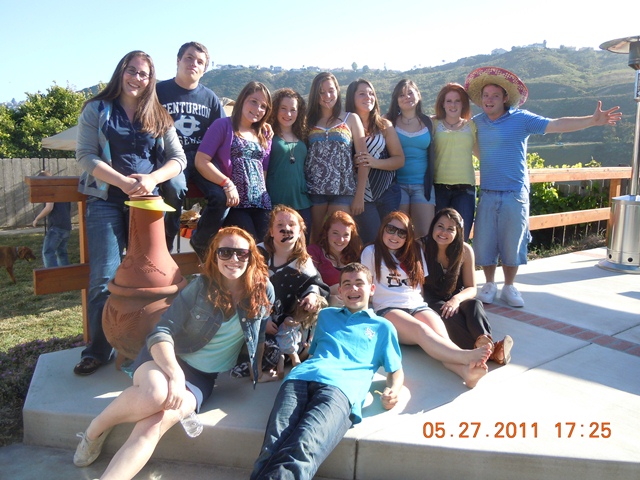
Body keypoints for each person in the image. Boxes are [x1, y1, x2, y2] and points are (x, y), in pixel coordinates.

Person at [73, 227, 276, 480]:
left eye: (241, 253)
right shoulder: (201, 287)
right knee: (155, 394)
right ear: (215, 256)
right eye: (225, 252)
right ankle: (94, 431)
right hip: (164, 359)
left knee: (153, 425)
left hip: (202, 378)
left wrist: (258, 371)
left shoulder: (263, 290)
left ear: (251, 256)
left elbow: (259, 335)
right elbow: (162, 332)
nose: (233, 259)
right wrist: (176, 376)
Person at [464, 66, 622, 307]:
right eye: (486, 95)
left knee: (513, 241)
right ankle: (489, 284)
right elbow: (454, 130)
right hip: (487, 192)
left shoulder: (521, 119)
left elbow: (556, 124)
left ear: (505, 98)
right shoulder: (476, 123)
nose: (489, 99)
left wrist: (591, 121)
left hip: (515, 193)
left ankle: (509, 286)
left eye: (495, 95)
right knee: (485, 240)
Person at [74, 50, 187, 376]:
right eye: (132, 70)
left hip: (146, 204)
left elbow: (178, 159)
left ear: (151, 80)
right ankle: (98, 350)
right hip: (106, 200)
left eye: (144, 74)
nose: (137, 78)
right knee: (103, 277)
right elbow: (85, 156)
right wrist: (123, 182)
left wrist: (152, 179)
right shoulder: (97, 109)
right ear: (121, 71)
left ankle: (147, 345)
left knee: (152, 278)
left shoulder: (159, 115)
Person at [250, 262, 404, 480]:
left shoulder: (383, 327)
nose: (353, 288)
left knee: (302, 448)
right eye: (347, 284)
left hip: (342, 389)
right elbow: (313, 352)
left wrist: (393, 390)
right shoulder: (326, 316)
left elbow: (395, 370)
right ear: (339, 291)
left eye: (359, 283)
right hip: (300, 378)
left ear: (371, 289)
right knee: (272, 446)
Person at [360, 211, 490, 387]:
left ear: (408, 236)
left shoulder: (415, 251)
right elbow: (365, 285)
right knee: (421, 330)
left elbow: (419, 287)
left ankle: (466, 373)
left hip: (417, 306)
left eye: (402, 233)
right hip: (388, 308)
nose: (395, 236)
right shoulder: (371, 251)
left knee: (442, 339)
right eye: (391, 229)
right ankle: (465, 356)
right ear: (383, 228)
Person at [156, 41, 226, 253]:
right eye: (189, 58)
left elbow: (225, 130)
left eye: (200, 62)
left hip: (201, 160)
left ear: (204, 69)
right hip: (171, 159)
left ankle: (200, 239)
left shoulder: (210, 98)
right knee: (174, 188)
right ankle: (167, 241)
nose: (194, 64)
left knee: (222, 196)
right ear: (178, 60)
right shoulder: (158, 91)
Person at [422, 208, 512, 364]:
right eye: (440, 226)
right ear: (433, 226)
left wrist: (456, 300)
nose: (443, 232)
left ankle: (484, 343)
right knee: (448, 315)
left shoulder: (465, 250)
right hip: (431, 300)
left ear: (458, 232)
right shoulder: (422, 247)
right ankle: (492, 351)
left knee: (474, 305)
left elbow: (471, 288)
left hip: (456, 297)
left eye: (450, 229)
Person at [196, 81, 272, 242]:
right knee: (249, 244)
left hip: (261, 203)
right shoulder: (222, 125)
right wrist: (226, 184)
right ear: (242, 100)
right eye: (253, 101)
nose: (258, 109)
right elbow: (201, 160)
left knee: (267, 246)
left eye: (263, 106)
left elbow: (263, 169)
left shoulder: (264, 133)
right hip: (235, 203)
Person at [257, 205, 329, 377]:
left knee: (319, 307)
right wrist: (262, 321)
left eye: (291, 225)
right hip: (258, 319)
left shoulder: (303, 261)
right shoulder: (258, 255)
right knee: (268, 352)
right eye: (280, 225)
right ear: (271, 231)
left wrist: (312, 295)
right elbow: (244, 291)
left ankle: (292, 351)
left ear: (300, 231)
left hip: (287, 322)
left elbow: (317, 284)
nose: (286, 229)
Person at [304, 72, 368, 243]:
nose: (327, 96)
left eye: (331, 91)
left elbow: (363, 159)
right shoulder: (307, 121)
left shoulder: (351, 118)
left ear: (338, 91)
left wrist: (359, 195)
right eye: (321, 92)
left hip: (343, 190)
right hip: (314, 190)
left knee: (341, 239)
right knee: (315, 238)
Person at [345, 79, 404, 244]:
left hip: (388, 192)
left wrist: (374, 162)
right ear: (352, 98)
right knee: (371, 242)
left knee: (391, 241)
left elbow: (399, 159)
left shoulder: (384, 125)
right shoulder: (344, 126)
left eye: (371, 93)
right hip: (361, 196)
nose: (368, 97)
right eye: (362, 94)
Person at [385, 79, 435, 238]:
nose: (406, 97)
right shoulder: (388, 122)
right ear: (396, 100)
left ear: (418, 95)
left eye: (410, 93)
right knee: (398, 234)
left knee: (424, 235)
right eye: (401, 95)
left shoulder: (429, 122)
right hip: (396, 186)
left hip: (423, 186)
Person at [432, 83, 477, 241]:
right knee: (437, 238)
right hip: (438, 188)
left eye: (457, 101)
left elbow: (483, 154)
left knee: (460, 238)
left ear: (463, 104)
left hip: (465, 190)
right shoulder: (433, 124)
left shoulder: (472, 125)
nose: (453, 105)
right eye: (449, 101)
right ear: (442, 104)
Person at [265, 89, 312, 239]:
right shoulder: (267, 134)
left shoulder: (303, 135)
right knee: (276, 245)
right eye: (283, 108)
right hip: (276, 201)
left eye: (293, 109)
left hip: (302, 202)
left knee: (302, 245)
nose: (288, 114)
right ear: (275, 109)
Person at [308, 210, 363, 306]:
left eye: (346, 235)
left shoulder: (356, 254)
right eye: (335, 233)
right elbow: (308, 284)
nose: (340, 240)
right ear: (326, 232)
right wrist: (328, 297)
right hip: (322, 307)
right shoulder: (314, 251)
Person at [32, 170, 71, 267]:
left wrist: (37, 219)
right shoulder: (62, 190)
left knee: (48, 252)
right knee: (62, 253)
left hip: (56, 227)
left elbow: (49, 207)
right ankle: (66, 273)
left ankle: (51, 274)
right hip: (66, 226)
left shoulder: (50, 190)